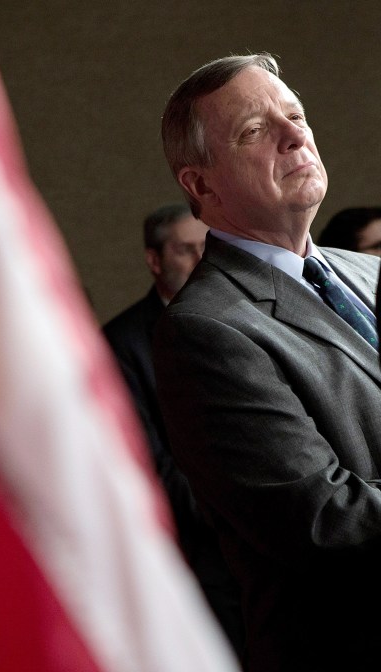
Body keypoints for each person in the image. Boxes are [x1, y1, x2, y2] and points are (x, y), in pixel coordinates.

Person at [154, 52, 381, 672]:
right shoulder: (205, 330)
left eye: (296, 115)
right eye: (256, 130)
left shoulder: (371, 270)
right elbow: (327, 525)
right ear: (201, 185)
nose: (295, 134)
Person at [102, 204, 245, 660]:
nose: (203, 260)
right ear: (154, 260)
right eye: (187, 250)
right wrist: (239, 508)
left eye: (210, 247)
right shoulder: (120, 344)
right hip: (196, 553)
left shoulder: (242, 319)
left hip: (263, 544)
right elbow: (146, 464)